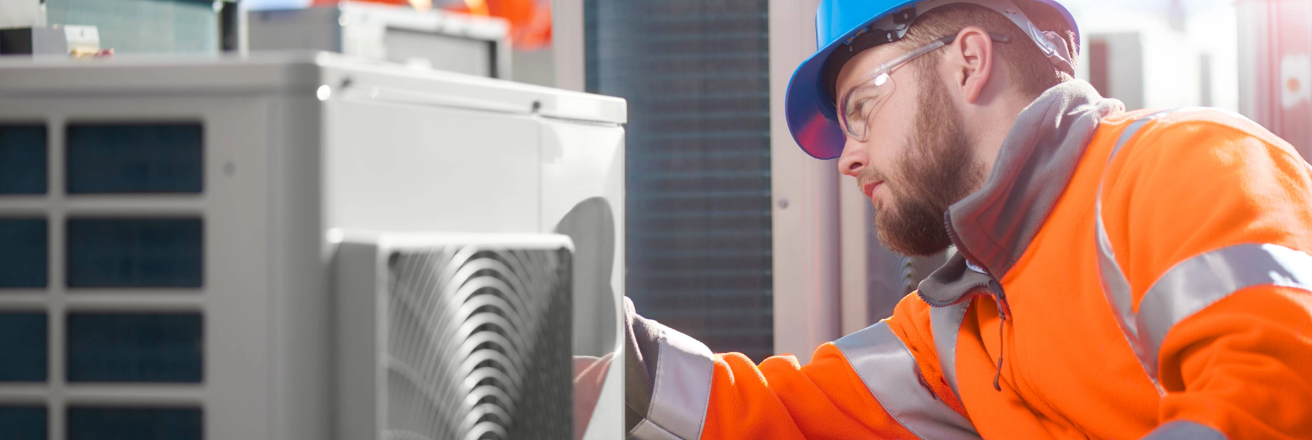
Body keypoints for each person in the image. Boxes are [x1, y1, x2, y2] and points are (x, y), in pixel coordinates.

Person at [620, 0, 1312, 439]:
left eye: (860, 107)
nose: (848, 159)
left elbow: (1276, 398)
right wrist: (612, 351)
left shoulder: (1186, 165)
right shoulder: (957, 318)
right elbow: (784, 415)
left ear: (969, 62)